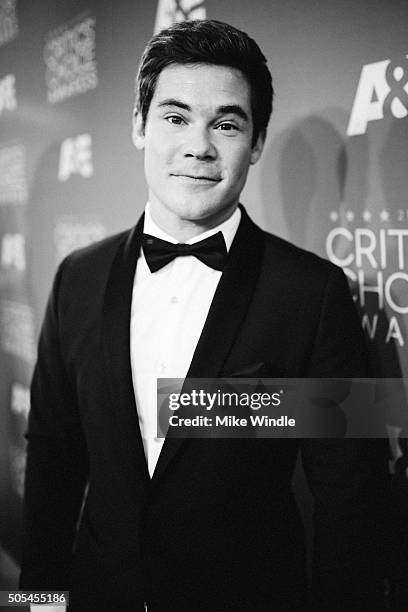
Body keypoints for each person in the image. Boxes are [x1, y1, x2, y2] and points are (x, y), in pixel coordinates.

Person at [20, 19, 389, 611]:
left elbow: (353, 504)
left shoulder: (315, 294)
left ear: (258, 142)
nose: (199, 145)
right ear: (139, 126)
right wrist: (36, 605)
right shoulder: (76, 279)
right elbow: (52, 466)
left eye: (226, 123)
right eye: (174, 117)